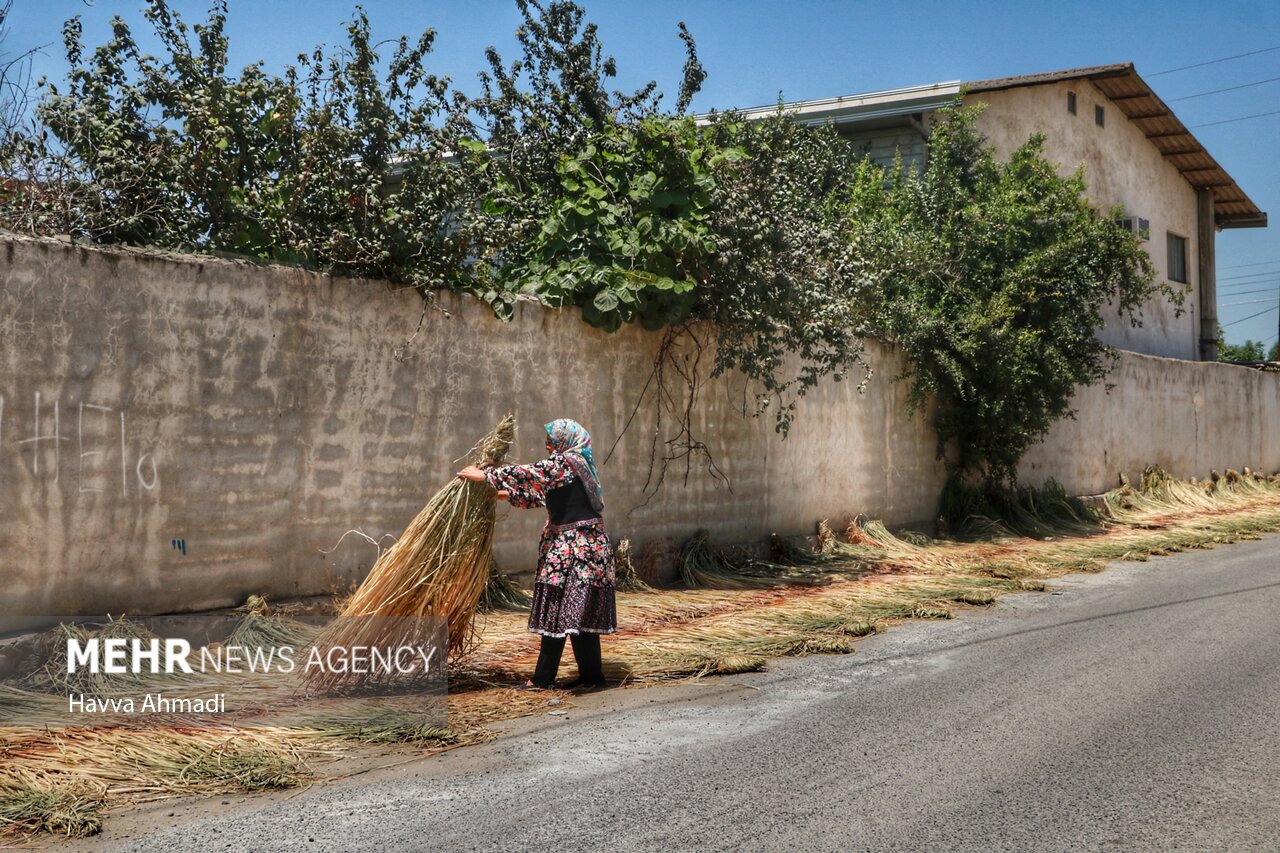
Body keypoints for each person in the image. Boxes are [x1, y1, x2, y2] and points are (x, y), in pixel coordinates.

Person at [457, 418, 616, 689]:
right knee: (565, 612)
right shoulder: (569, 468)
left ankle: (570, 679)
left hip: (581, 550)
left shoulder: (568, 463)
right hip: (569, 548)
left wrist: (488, 476)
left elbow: (534, 472)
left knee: (570, 611)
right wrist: (502, 494)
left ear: (565, 441)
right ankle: (568, 678)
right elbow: (542, 495)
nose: (547, 445)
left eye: (551, 440)